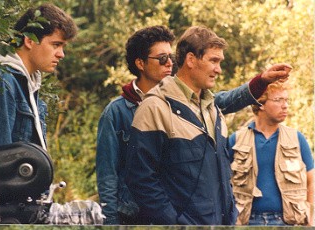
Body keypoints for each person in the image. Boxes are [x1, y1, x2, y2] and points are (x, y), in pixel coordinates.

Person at [124, 25, 292, 225]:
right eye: (214, 60)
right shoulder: (154, 108)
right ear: (191, 60)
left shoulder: (212, 109)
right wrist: (175, 223)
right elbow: (141, 181)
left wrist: (230, 216)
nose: (219, 70)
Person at [96, 25, 175, 225]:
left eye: (171, 57)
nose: (170, 64)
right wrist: (111, 222)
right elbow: (107, 174)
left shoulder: (177, 105)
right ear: (140, 63)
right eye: (162, 58)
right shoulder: (116, 112)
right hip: (131, 216)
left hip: (171, 214)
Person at [228, 81, 314, 226]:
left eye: (286, 100)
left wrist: (311, 221)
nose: (285, 105)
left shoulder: (296, 139)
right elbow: (222, 185)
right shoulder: (236, 140)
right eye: (278, 100)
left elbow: (312, 182)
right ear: (260, 103)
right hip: (247, 222)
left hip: (289, 222)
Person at [0, 3, 77, 150]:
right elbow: (2, 161)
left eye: (63, 47)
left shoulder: (29, 86)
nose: (61, 54)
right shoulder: (2, 81)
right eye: (56, 45)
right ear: (29, 40)